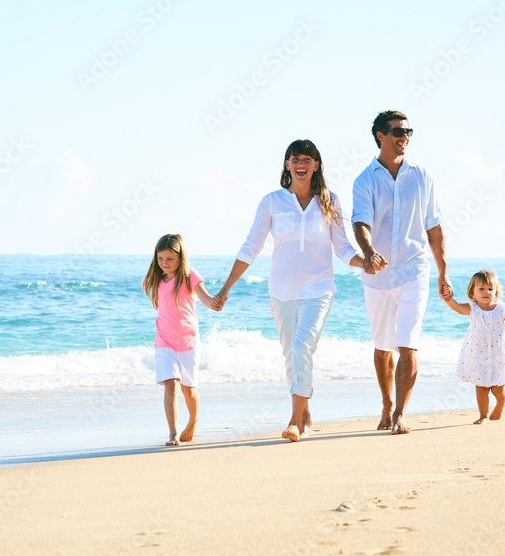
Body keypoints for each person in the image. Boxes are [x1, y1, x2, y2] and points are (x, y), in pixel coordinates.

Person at [214, 140, 364, 442]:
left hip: (319, 288)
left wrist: (364, 262)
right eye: (296, 159)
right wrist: (226, 287)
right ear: (287, 165)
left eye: (308, 159)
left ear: (316, 165)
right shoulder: (272, 202)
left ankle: (295, 420)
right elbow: (251, 246)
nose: (302, 164)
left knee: (301, 347)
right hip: (282, 291)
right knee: (291, 354)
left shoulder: (329, 200)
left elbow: (343, 246)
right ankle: (305, 412)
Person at [352, 110, 451, 435]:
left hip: (414, 272)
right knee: (383, 346)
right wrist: (369, 253)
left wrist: (443, 272)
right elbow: (361, 223)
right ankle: (386, 403)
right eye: (397, 131)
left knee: (407, 344)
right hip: (377, 278)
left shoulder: (422, 176)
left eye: (408, 131)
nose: (404, 136)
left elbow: (434, 227)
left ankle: (401, 414)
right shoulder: (365, 180)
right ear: (380, 135)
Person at [143, 234, 218, 446]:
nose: (164, 263)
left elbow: (205, 298)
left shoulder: (188, 275)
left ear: (180, 257)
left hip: (188, 342)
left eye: (170, 259)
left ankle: (193, 420)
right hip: (164, 341)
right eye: (160, 259)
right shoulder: (157, 278)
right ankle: (173, 434)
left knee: (188, 389)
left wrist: (215, 302)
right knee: (171, 386)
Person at [443, 270, 505, 424]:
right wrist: (448, 299)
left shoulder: (501, 309)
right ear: (472, 291)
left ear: (496, 291)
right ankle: (483, 415)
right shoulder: (472, 308)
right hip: (478, 353)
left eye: (490, 289)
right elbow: (457, 307)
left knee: (498, 388)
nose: (486, 292)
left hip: (499, 354)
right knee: (481, 387)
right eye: (481, 289)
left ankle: (500, 404)